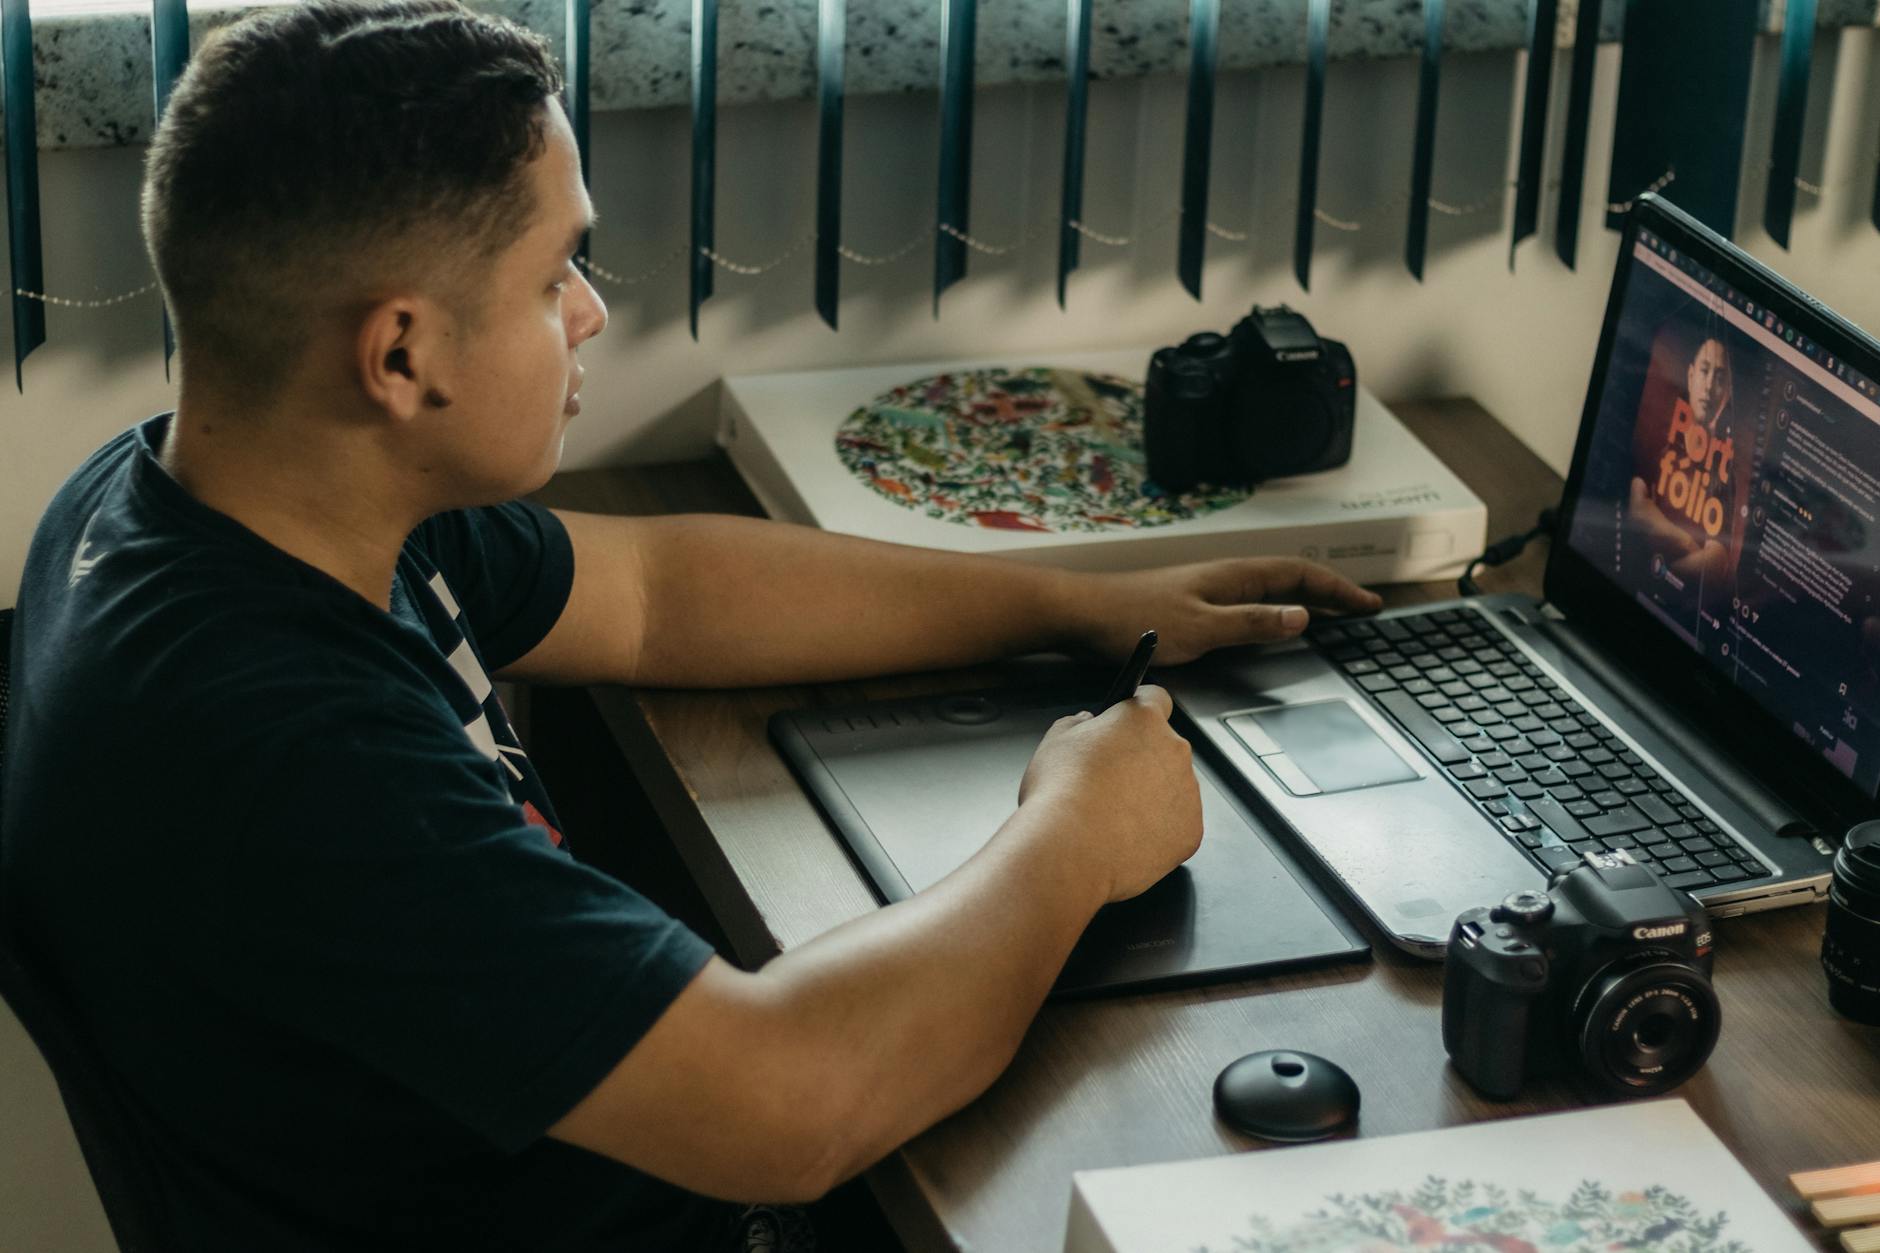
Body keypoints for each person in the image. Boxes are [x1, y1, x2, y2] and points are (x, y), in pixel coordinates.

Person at [0, 3, 1380, 1249]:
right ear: (402, 354)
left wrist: (1075, 603)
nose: (592, 313)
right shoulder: (283, 758)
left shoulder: (205, 494)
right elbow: (794, 1105)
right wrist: (1077, 832)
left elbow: (658, 596)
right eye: (556, 278)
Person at [1627, 330, 1747, 590]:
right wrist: (1688, 544)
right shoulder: (1662, 429)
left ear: (1726, 391)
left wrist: (1660, 577)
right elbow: (1636, 505)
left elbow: (1716, 564)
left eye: (1719, 378)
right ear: (1691, 376)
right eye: (1704, 371)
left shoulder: (1724, 466)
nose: (1708, 386)